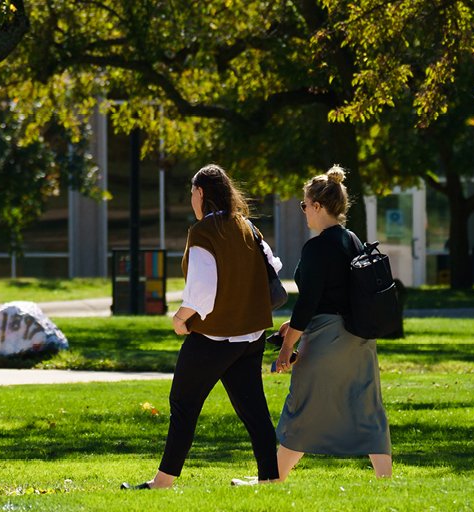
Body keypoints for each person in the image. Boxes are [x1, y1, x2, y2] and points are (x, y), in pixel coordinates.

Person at [128, 164, 282, 490]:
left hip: (213, 338)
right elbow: (273, 267)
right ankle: (270, 478)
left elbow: (202, 292)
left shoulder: (203, 233)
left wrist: (180, 318)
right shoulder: (248, 227)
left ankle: (163, 481)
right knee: (254, 411)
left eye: (192, 194)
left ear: (200, 193)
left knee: (183, 405)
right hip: (250, 336)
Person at [272, 165, 392, 479]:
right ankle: (385, 479)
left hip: (326, 338)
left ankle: (274, 477)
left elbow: (309, 302)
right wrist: (292, 329)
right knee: (368, 408)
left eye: (304, 205)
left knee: (302, 404)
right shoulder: (352, 240)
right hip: (360, 337)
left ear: (318, 206)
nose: (303, 212)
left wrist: (287, 346)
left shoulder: (316, 248)